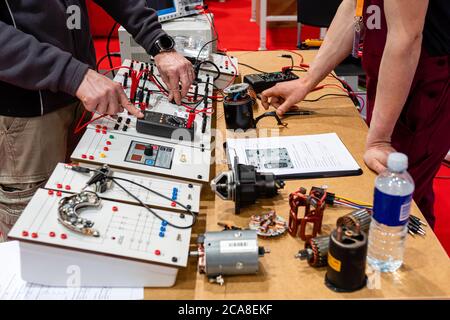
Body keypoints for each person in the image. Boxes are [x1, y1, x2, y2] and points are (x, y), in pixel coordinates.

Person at [0, 1, 195, 241]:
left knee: (91, 204)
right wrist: (72, 74)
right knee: (33, 234)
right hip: (28, 113)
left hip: (84, 94)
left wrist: (158, 43)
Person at [261, 0, 449, 228]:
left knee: (397, 203)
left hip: (419, 87)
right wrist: (307, 81)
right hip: (391, 78)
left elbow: (406, 39)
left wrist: (379, 138)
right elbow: (354, 6)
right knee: (397, 197)